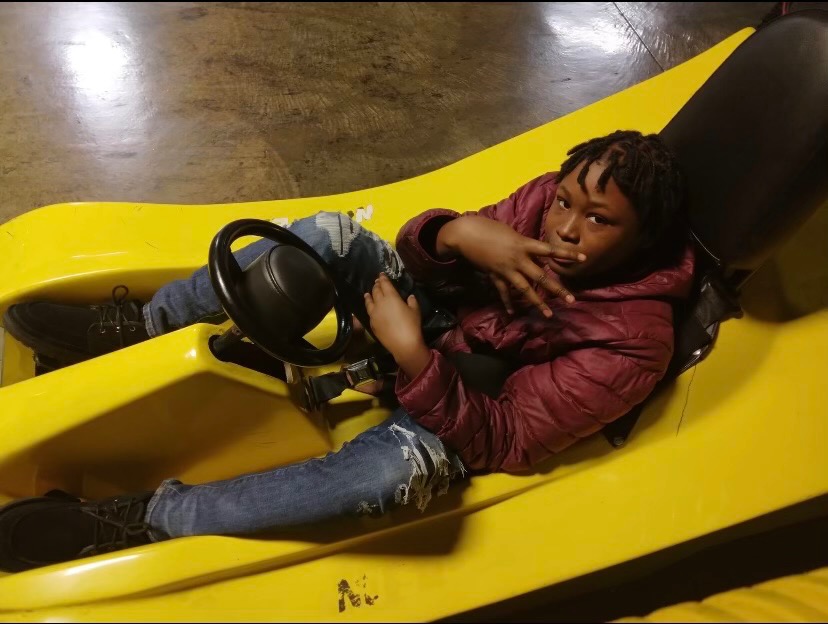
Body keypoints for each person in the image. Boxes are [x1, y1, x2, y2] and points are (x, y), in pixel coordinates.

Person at [0, 130, 693, 572]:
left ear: (644, 239)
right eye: (566, 201)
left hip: (461, 404)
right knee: (333, 236)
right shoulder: (543, 203)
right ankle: (145, 326)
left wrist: (414, 361)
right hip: (430, 319)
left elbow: (505, 438)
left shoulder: (635, 341)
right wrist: (454, 233)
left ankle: (146, 520)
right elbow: (419, 254)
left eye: (598, 220)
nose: (564, 227)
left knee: (383, 479)